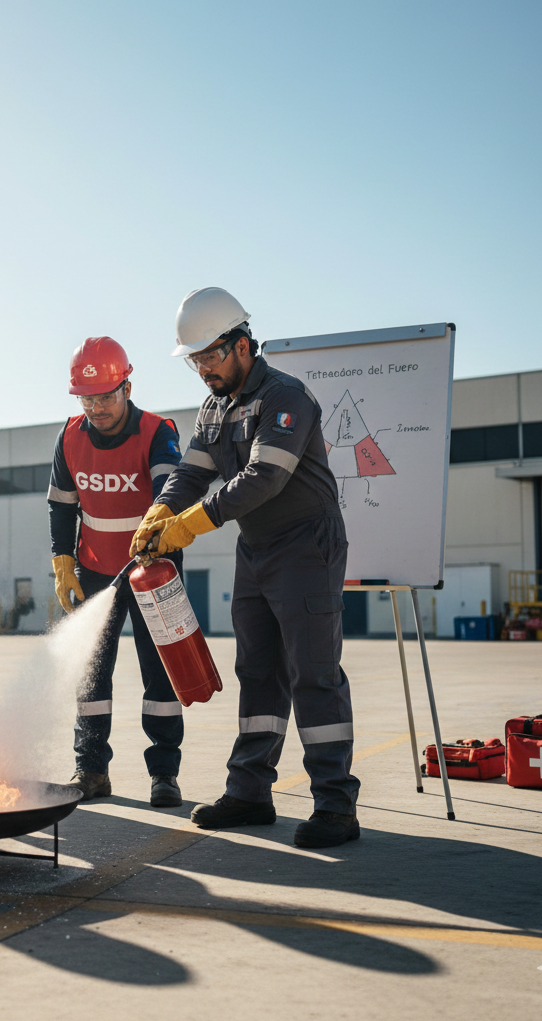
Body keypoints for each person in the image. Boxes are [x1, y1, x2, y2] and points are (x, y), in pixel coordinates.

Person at [131, 288, 361, 848]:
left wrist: (187, 525)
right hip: (257, 548)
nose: (202, 369)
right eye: (195, 359)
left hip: (306, 544)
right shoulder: (215, 408)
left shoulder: (286, 397)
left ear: (241, 344)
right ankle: (251, 792)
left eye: (210, 355)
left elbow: (265, 478)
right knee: (257, 670)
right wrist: (161, 508)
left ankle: (335, 805)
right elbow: (191, 471)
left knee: (314, 671)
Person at [49, 336, 185, 807]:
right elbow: (62, 506)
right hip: (93, 571)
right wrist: (61, 560)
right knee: (91, 676)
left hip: (154, 572)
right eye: (87, 397)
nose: (97, 407)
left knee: (161, 675)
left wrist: (160, 517)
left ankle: (164, 773)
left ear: (127, 387)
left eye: (106, 395)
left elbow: (171, 486)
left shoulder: (157, 431)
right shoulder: (69, 436)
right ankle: (90, 769)